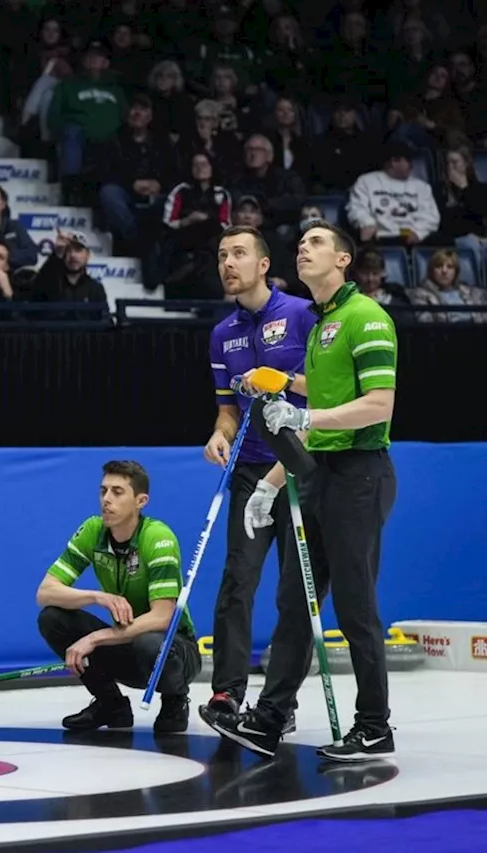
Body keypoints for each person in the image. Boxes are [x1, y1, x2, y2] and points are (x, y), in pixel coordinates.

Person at [201, 221, 399, 762]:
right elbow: (315, 406)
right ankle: (268, 719)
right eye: (302, 242)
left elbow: (377, 404)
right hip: (316, 473)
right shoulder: (320, 327)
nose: (303, 249)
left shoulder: (366, 317)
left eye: (316, 242)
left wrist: (304, 409)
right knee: (294, 600)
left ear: (342, 260)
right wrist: (271, 480)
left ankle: (375, 724)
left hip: (360, 473)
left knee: (356, 607)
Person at [203, 225, 317, 724]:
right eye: (223, 255)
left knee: (294, 591)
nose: (228, 262)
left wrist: (287, 383)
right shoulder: (221, 334)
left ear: (264, 264)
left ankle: (279, 705)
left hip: (301, 467)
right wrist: (219, 433)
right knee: (237, 583)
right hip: (250, 472)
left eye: (239, 253)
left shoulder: (302, 316)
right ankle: (226, 694)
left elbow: (331, 392)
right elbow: (227, 408)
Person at [36, 461, 201, 735]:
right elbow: (45, 592)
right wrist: (98, 597)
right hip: (126, 642)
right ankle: (111, 704)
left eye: (117, 492)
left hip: (173, 649)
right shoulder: (93, 530)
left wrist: (93, 639)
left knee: (149, 643)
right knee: (52, 617)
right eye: (103, 491)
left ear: (141, 501)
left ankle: (175, 700)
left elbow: (163, 616)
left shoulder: (158, 537)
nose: (107, 500)